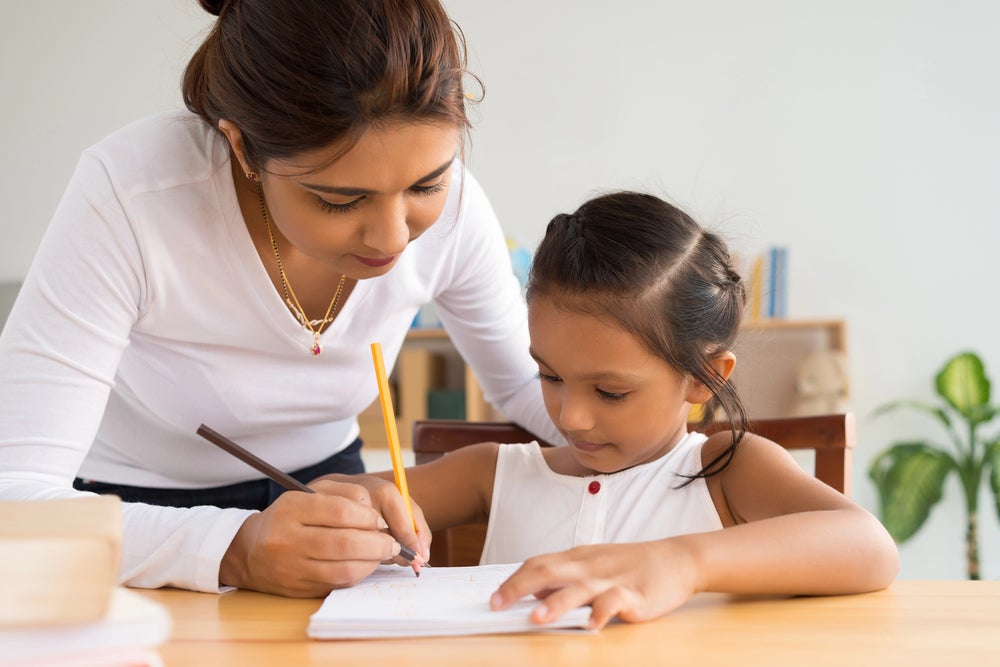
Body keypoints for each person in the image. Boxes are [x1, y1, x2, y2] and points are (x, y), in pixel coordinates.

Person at [0, 0, 562, 598]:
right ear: (242, 150)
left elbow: (531, 387)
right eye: (341, 200)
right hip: (135, 516)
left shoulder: (459, 212)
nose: (394, 237)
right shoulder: (133, 195)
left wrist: (664, 446)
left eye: (426, 185)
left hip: (341, 505)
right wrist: (237, 550)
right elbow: (17, 495)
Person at [332, 191, 900, 628]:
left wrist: (682, 563)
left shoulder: (727, 467)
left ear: (703, 378)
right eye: (549, 376)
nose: (569, 416)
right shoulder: (492, 473)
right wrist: (345, 508)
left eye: (610, 392)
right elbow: (318, 504)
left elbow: (869, 548)